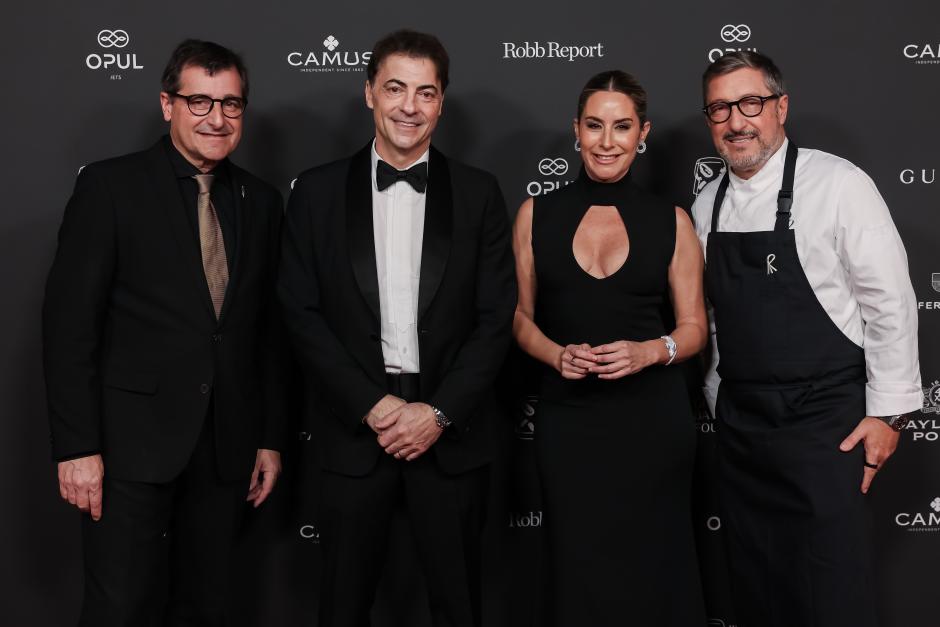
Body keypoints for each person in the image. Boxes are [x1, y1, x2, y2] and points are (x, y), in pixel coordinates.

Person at [43, 39, 287, 625]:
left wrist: (270, 435)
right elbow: (69, 325)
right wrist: (78, 448)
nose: (216, 118)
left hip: (226, 449)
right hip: (129, 449)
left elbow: (269, 333)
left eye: (231, 104)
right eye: (199, 101)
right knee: (120, 608)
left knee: (209, 607)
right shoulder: (110, 188)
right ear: (166, 104)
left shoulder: (262, 201)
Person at [278, 29, 516, 627]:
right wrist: (373, 405)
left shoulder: (481, 193)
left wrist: (436, 413)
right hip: (353, 433)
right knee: (341, 606)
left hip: (450, 434)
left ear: (441, 103)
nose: (410, 106)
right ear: (369, 94)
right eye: (395, 88)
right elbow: (299, 313)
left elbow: (495, 318)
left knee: (458, 606)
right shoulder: (316, 192)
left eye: (425, 92)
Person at [691, 51, 921, 627]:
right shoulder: (705, 205)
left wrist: (888, 416)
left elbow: (890, 302)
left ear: (780, 107)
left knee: (830, 587)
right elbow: (715, 324)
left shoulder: (839, 184)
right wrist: (723, 406)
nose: (737, 121)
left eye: (751, 103)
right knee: (758, 584)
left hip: (826, 427)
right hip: (744, 430)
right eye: (720, 108)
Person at [512, 70, 708, 626]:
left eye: (621, 127)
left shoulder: (672, 221)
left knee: (655, 565)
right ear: (576, 130)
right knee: (576, 567)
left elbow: (695, 326)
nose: (606, 140)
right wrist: (555, 354)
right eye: (594, 125)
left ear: (641, 133)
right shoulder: (535, 214)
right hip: (570, 423)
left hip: (654, 424)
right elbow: (518, 317)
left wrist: (653, 350)